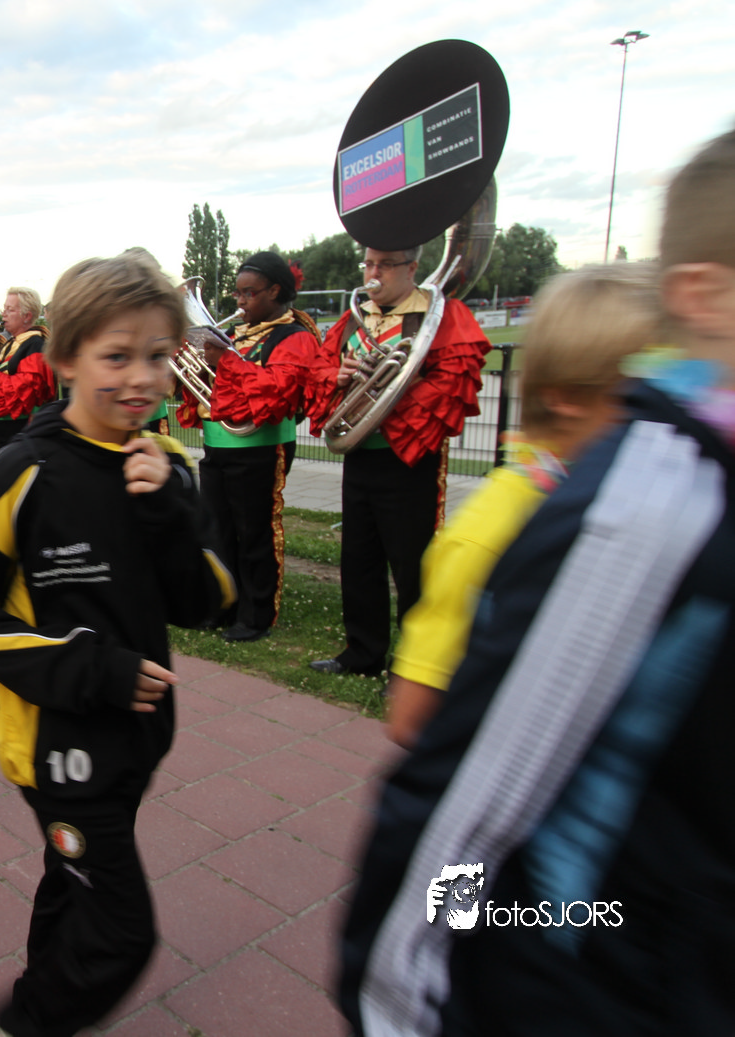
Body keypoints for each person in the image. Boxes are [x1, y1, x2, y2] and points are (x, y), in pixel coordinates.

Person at [339, 129, 735, 1037]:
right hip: (584, 957)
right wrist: (394, 1003)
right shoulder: (630, 516)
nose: (372, 272)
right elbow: (459, 800)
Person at [0, 252, 233, 1037]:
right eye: (116, 356)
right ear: (63, 358)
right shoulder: (19, 473)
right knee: (122, 933)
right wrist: (90, 666)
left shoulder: (166, 464)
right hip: (56, 743)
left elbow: (209, 601)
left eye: (158, 355)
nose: (141, 378)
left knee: (74, 880)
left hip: (137, 735)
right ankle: (29, 1019)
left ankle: (41, 980)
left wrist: (165, 510)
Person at [384, 263, 659, 749]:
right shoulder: (490, 530)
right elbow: (412, 718)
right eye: (652, 396)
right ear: (568, 397)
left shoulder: (646, 503)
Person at [309, 244, 490, 675]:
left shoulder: (437, 314)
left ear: (412, 268)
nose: (374, 273)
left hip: (408, 459)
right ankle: (362, 652)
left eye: (386, 265)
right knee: (359, 559)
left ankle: (414, 661)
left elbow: (455, 378)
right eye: (369, 264)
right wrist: (338, 376)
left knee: (412, 565)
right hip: (359, 455)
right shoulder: (355, 317)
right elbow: (319, 371)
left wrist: (396, 390)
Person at [180, 251, 332, 642]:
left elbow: (277, 389)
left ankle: (256, 614)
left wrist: (224, 361)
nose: (240, 301)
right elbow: (217, 388)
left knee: (254, 533)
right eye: (238, 293)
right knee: (219, 529)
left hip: (261, 447)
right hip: (218, 444)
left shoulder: (294, 336)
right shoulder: (236, 335)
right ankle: (224, 606)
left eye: (248, 293)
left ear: (274, 291)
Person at [0, 287, 55, 456]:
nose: (3, 315)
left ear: (27, 316)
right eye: (4, 309)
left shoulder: (35, 345)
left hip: (17, 431)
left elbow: (24, 390)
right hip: (0, 430)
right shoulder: (12, 342)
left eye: (10, 310)